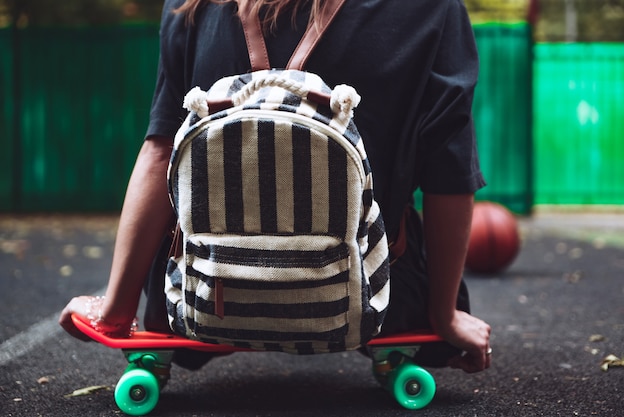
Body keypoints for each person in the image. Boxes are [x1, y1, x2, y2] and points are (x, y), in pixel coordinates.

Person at [60, 0, 492, 374]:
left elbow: (159, 154)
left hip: (204, 296)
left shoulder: (192, 7)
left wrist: (117, 310)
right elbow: (448, 173)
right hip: (384, 301)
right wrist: (444, 314)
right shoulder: (433, 9)